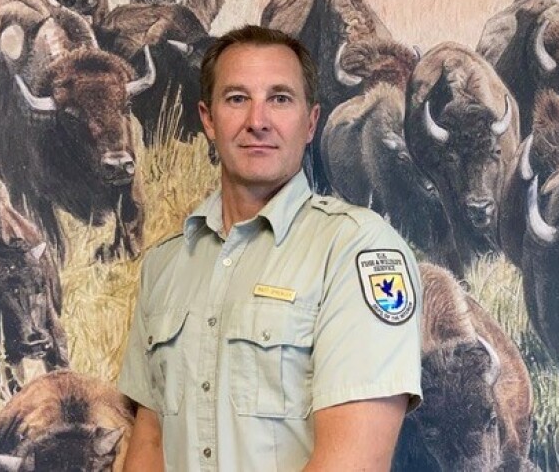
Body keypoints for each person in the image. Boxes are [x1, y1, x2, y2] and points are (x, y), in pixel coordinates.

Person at [119, 25, 422, 471]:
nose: (257, 121)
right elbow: (149, 440)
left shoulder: (357, 251)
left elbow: (351, 462)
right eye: (237, 98)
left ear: (311, 122)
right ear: (207, 119)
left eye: (280, 98)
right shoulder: (164, 265)